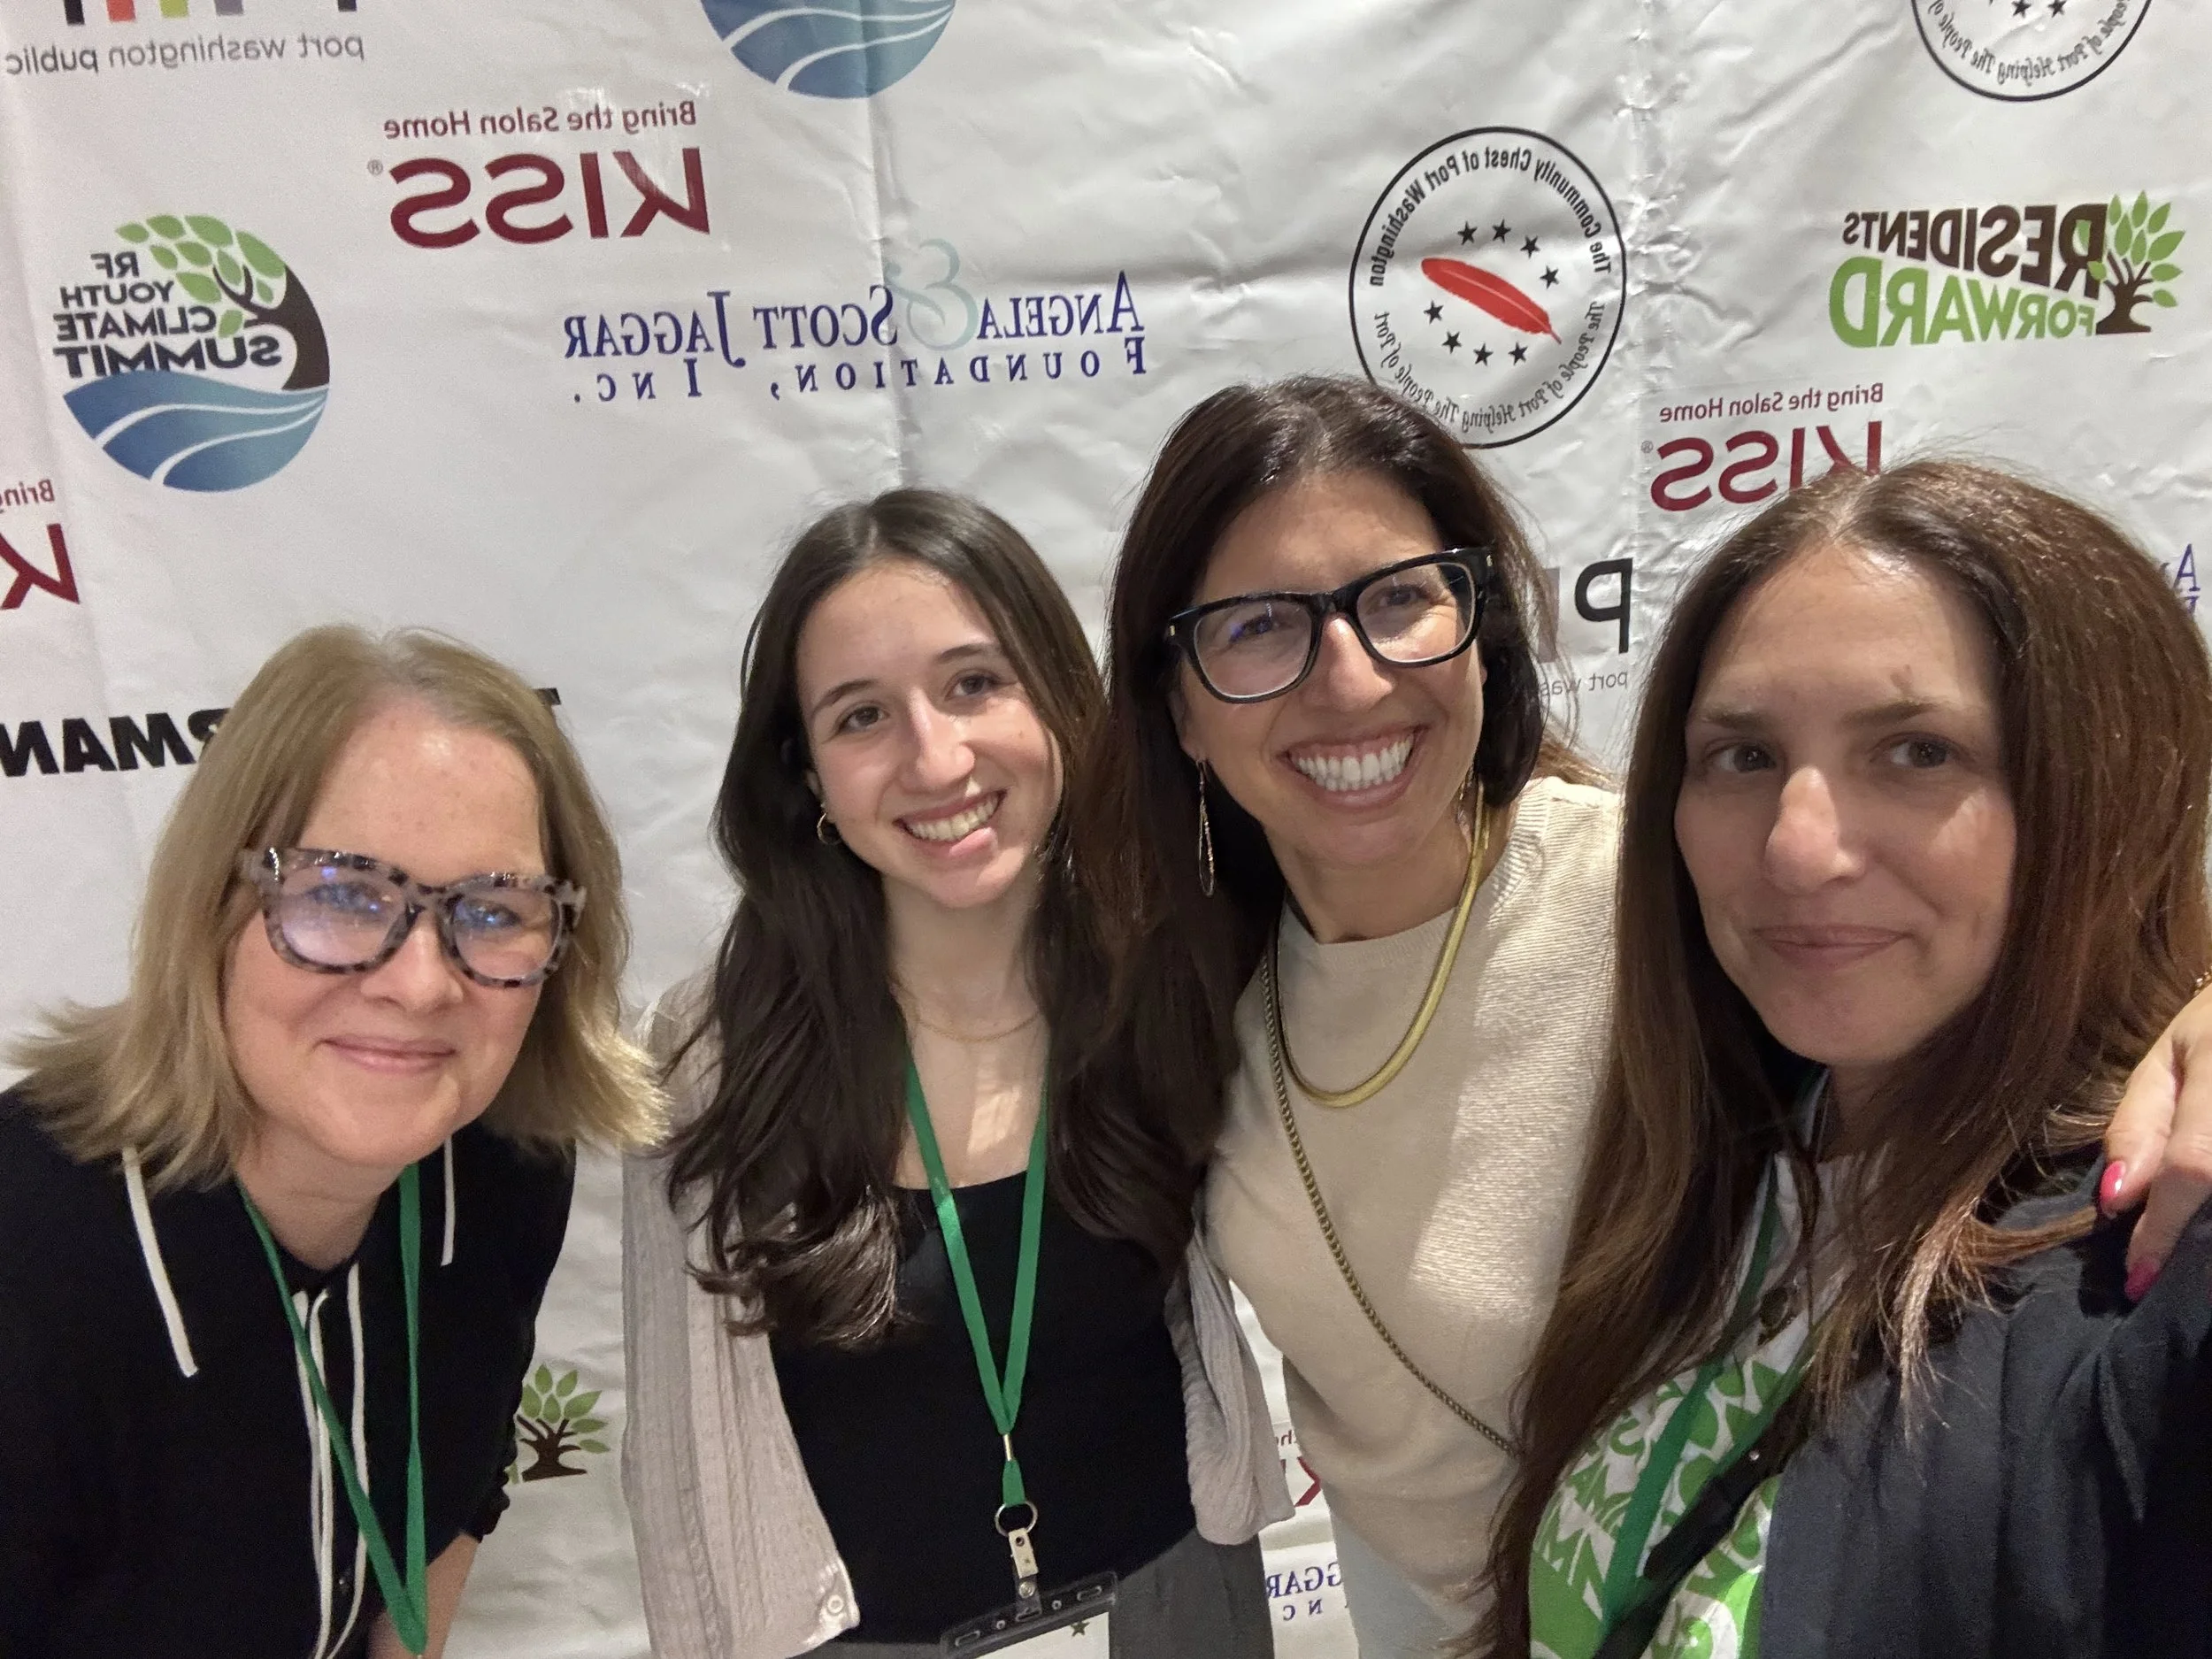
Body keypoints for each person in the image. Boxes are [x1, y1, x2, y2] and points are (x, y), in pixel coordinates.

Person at [1074, 375, 2212, 1655]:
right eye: (1259, 625)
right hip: (1418, 1596)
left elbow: (2050, 969)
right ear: (1177, 700)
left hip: (1673, 1586)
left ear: (1484, 628)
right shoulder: (1188, 989)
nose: (1348, 675)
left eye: (1399, 599)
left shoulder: (1663, 906)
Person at [1489, 459, 2212, 1658]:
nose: (1799, 845)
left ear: (2107, 792)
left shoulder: (2158, 1253)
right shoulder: (1731, 1149)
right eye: (1744, 755)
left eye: (1918, 750)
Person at [620, 489, 1286, 1659]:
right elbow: (681, 1473)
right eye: (862, 714)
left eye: (976, 682)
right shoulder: (706, 1059)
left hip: (1177, 1606)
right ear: (808, 775)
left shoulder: (1174, 983)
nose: (935, 755)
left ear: (1058, 700)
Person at [0, 626, 662, 1659]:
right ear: (213, 905)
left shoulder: (499, 1169)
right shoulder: (29, 1265)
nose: (422, 982)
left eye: (493, 910)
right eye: (346, 894)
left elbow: (447, 1503)